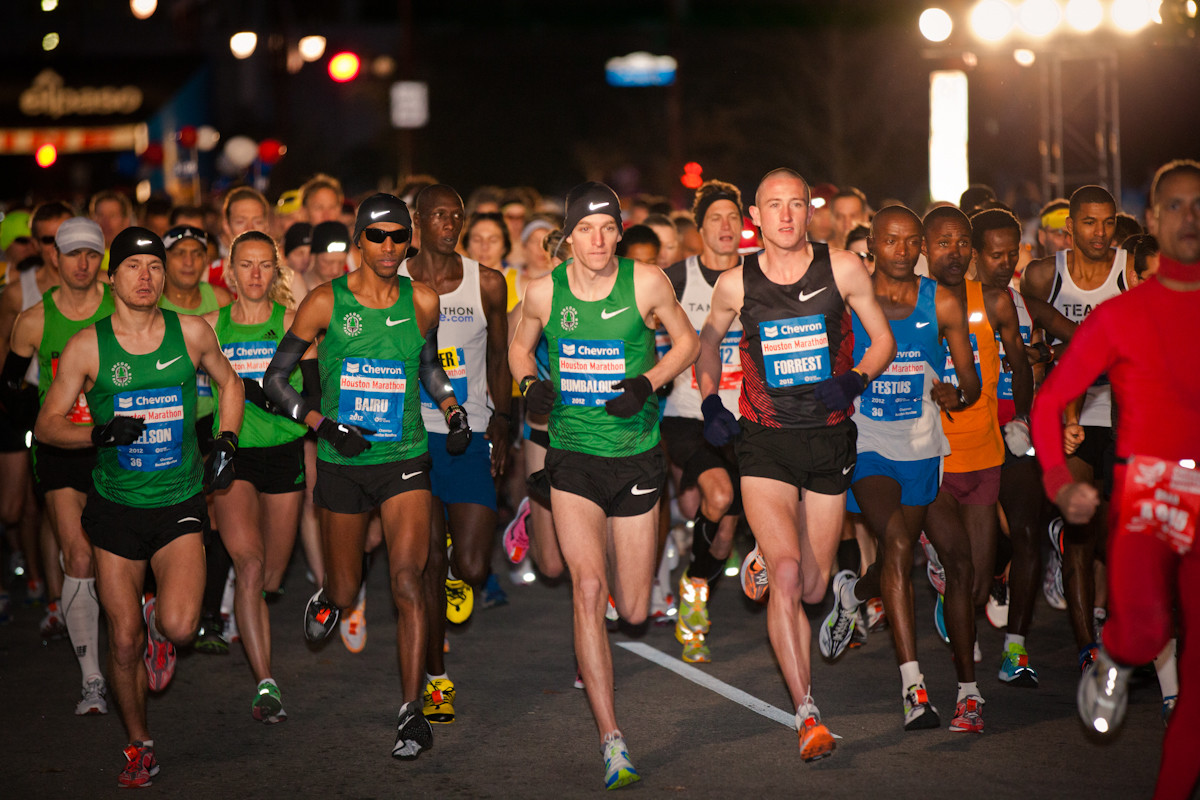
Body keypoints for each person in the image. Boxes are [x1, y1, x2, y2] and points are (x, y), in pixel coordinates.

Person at [263, 193, 471, 760]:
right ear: (359, 240)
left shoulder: (422, 300)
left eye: (398, 236)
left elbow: (428, 367)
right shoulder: (323, 301)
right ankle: (329, 597)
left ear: (409, 243)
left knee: (408, 580)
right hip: (343, 464)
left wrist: (453, 410)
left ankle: (410, 712)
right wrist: (323, 426)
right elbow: (275, 379)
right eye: (376, 235)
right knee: (347, 587)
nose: (388, 246)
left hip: (404, 458)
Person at [34, 226, 243, 788]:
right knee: (123, 639)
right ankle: (139, 744)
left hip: (178, 499)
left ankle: (158, 620)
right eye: (132, 266)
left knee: (180, 627)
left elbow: (232, 384)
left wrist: (226, 441)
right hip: (116, 506)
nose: (145, 277)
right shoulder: (87, 346)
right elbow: (46, 425)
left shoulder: (190, 331)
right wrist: (99, 434)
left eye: (154, 267)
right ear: (112, 277)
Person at [697, 168, 895, 760]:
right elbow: (707, 341)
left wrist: (855, 380)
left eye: (795, 204)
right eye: (773, 205)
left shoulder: (844, 268)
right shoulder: (736, 283)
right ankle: (807, 713)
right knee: (786, 575)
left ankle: (765, 556)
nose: (785, 215)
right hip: (765, 441)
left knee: (811, 587)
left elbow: (882, 341)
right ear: (755, 216)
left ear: (811, 210)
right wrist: (710, 401)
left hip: (828, 439)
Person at [509, 181, 698, 789]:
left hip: (637, 456)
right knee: (588, 588)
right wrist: (529, 386)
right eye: (585, 229)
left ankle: (618, 551)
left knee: (635, 610)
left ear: (619, 233)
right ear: (568, 238)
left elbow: (689, 342)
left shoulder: (647, 282)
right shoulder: (545, 291)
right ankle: (612, 739)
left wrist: (648, 382)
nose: (597, 240)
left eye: (607, 228)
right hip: (572, 457)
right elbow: (519, 348)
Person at [1032, 159, 1200, 800]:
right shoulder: (1122, 316)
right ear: (1152, 220)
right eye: (1175, 205)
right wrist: (1059, 482)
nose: (1190, 217)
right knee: (1148, 631)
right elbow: (1050, 403)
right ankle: (1114, 654)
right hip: (1147, 493)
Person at [815, 206, 979, 732]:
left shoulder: (942, 301)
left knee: (939, 559)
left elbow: (970, 382)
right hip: (867, 445)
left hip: (922, 447)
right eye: (890, 240)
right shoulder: (850, 302)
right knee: (902, 548)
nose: (902, 251)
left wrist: (957, 394)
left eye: (911, 242)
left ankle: (853, 595)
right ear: (872, 245)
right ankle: (916, 689)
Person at [400, 184, 511, 724]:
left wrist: (504, 423)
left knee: (470, 566)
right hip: (410, 437)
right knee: (425, 566)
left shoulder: (486, 282)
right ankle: (436, 680)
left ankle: (453, 569)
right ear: (418, 221)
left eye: (456, 216)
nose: (449, 223)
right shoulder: (393, 282)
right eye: (438, 215)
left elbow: (500, 357)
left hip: (470, 435)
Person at [921, 206, 1033, 732]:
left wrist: (1023, 420)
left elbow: (1020, 362)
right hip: (932, 458)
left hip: (984, 452)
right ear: (925, 247)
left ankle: (946, 588)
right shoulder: (908, 302)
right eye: (943, 242)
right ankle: (968, 694)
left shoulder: (993, 301)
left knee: (980, 583)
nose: (955, 251)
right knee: (962, 569)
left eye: (963, 242)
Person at [4, 217, 114, 714]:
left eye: (92, 254)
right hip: (60, 451)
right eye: (73, 254)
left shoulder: (122, 305)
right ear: (55, 257)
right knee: (80, 556)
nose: (83, 264)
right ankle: (92, 679)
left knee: (119, 559)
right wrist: (37, 421)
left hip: (116, 447)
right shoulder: (33, 320)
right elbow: (9, 386)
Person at [202, 230, 310, 723]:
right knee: (248, 567)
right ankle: (266, 683)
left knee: (269, 577)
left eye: (265, 264)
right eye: (246, 264)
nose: (255, 274)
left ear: (276, 271)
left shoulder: (293, 323)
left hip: (284, 455)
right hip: (235, 456)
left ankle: (246, 609)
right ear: (230, 271)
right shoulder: (210, 328)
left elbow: (317, 394)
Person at [969, 207, 1076, 687]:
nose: (1005, 263)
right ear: (974, 254)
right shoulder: (948, 304)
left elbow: (1089, 339)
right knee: (981, 546)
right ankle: (967, 593)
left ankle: (1016, 649)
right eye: (995, 254)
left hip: (1015, 433)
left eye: (1012, 253)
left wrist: (1047, 352)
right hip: (964, 438)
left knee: (1027, 531)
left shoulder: (1026, 306)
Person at [1022, 185, 1127, 670]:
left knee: (1116, 534)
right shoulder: (1045, 274)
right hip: (1075, 419)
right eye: (1089, 222)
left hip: (1125, 418)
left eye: (1108, 222)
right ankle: (1088, 649)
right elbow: (1032, 349)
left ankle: (1118, 623)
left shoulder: (1131, 269)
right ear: (1070, 227)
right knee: (1082, 533)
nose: (1100, 233)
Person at [660, 179, 746, 664]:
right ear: (699, 228)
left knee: (726, 533)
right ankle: (694, 609)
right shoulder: (676, 278)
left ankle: (694, 584)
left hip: (743, 419)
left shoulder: (759, 277)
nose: (726, 226)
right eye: (715, 218)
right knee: (717, 496)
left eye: (733, 217)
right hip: (687, 415)